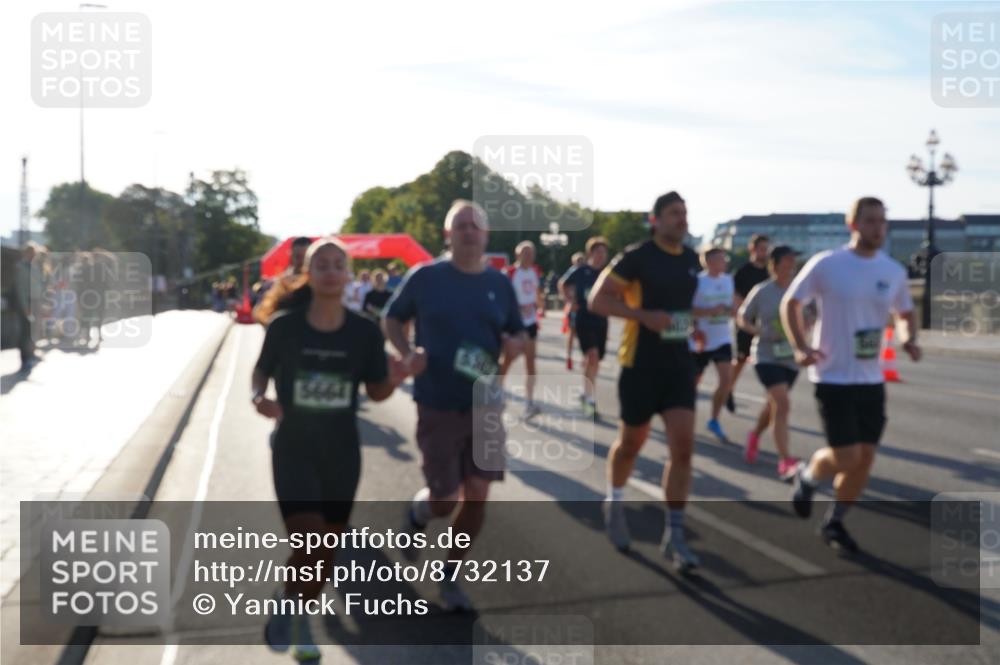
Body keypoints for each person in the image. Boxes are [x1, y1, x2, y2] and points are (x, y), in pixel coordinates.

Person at [252, 238, 407, 661]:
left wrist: (397, 376)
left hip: (341, 454)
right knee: (309, 541)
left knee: (324, 553)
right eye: (322, 263)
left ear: (349, 274)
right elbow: (261, 369)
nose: (331, 269)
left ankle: (295, 608)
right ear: (310, 273)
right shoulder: (285, 326)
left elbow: (375, 392)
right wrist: (258, 396)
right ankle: (297, 617)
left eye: (339, 263)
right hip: (294, 449)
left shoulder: (363, 332)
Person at [384, 200, 526, 611]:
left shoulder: (499, 285)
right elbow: (392, 319)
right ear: (448, 235)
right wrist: (407, 351)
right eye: (460, 226)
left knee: (478, 494)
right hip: (438, 403)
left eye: (475, 226)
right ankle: (419, 512)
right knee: (445, 499)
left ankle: (449, 576)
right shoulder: (426, 278)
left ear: (485, 236)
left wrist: (516, 347)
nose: (468, 232)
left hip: (484, 405)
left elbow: (516, 333)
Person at [589, 191, 723, 572]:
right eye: (674, 214)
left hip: (679, 364)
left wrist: (694, 321)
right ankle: (614, 502)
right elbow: (598, 300)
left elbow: (679, 306)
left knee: (683, 450)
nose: (682, 219)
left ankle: (675, 534)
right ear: (656, 220)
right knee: (631, 443)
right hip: (640, 364)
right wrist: (642, 315)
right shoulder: (637, 257)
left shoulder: (689, 262)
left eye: (685, 213)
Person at [781, 197, 920, 553]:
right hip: (833, 376)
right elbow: (791, 303)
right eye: (871, 221)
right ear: (853, 224)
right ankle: (808, 476)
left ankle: (835, 523)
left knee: (866, 459)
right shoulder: (828, 264)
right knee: (847, 457)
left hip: (871, 379)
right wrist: (801, 346)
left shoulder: (891, 270)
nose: (878, 228)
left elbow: (905, 311)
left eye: (882, 221)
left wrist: (909, 339)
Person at [736, 245, 802, 480]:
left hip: (791, 356)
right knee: (782, 404)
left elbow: (813, 313)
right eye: (787, 259)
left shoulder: (800, 290)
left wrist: (807, 325)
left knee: (775, 405)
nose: (792, 264)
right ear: (774, 264)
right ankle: (785, 461)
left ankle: (754, 435)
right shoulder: (762, 290)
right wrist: (758, 331)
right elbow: (742, 317)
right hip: (765, 355)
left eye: (794, 259)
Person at [559, 238, 610, 418]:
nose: (601, 255)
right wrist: (570, 302)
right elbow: (563, 284)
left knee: (595, 360)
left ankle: (585, 392)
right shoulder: (581, 271)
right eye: (598, 252)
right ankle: (590, 400)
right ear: (591, 253)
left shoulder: (607, 273)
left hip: (601, 320)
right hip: (584, 319)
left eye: (604, 252)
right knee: (593, 356)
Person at [690, 247, 736, 443]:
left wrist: (731, 310)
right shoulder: (698, 282)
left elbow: (731, 306)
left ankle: (714, 420)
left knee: (726, 381)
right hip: (701, 339)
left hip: (722, 338)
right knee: (692, 383)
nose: (724, 262)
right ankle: (685, 417)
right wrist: (709, 311)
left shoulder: (728, 280)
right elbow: (688, 310)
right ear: (708, 262)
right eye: (719, 259)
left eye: (724, 259)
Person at [501, 241, 544, 417]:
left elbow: (536, 292)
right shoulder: (509, 273)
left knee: (531, 363)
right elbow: (502, 298)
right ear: (517, 255)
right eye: (525, 253)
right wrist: (516, 309)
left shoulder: (534, 272)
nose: (528, 256)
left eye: (531, 253)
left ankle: (529, 403)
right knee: (508, 360)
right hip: (513, 323)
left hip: (531, 322)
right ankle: (497, 389)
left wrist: (540, 305)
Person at [729, 234, 771, 412]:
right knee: (741, 359)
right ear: (752, 249)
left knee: (769, 361)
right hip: (746, 322)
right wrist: (743, 319)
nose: (764, 252)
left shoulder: (771, 271)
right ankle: (728, 388)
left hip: (768, 324)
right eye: (761, 248)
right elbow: (736, 299)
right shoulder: (743, 272)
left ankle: (772, 397)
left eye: (766, 248)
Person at [254, 237, 313, 325]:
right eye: (298, 257)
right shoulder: (280, 283)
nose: (302, 262)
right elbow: (262, 313)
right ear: (291, 256)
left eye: (305, 258)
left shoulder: (319, 283)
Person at [12, 243, 42, 372]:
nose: (33, 255)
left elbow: (38, 286)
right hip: (25, 303)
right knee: (25, 332)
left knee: (32, 332)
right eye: (31, 253)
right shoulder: (20, 267)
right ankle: (24, 359)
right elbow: (21, 289)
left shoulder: (34, 267)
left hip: (35, 302)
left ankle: (31, 355)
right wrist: (25, 308)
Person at [560, 251, 587, 370]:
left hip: (585, 308)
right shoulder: (572, 272)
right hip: (574, 307)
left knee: (585, 333)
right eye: (578, 261)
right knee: (572, 332)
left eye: (582, 261)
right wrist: (569, 300)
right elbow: (562, 284)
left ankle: (585, 357)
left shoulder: (587, 272)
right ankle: (569, 356)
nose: (580, 263)